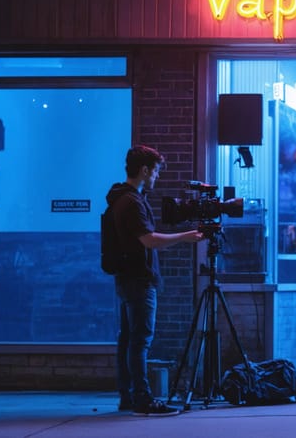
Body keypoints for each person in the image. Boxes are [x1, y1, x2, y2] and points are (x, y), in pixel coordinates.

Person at [107, 145, 204, 416]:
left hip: (129, 278)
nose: (157, 177)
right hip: (138, 280)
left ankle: (128, 396)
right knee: (140, 341)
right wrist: (185, 236)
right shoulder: (132, 202)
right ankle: (143, 399)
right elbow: (148, 240)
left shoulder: (122, 198)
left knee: (129, 339)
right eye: (156, 171)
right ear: (145, 170)